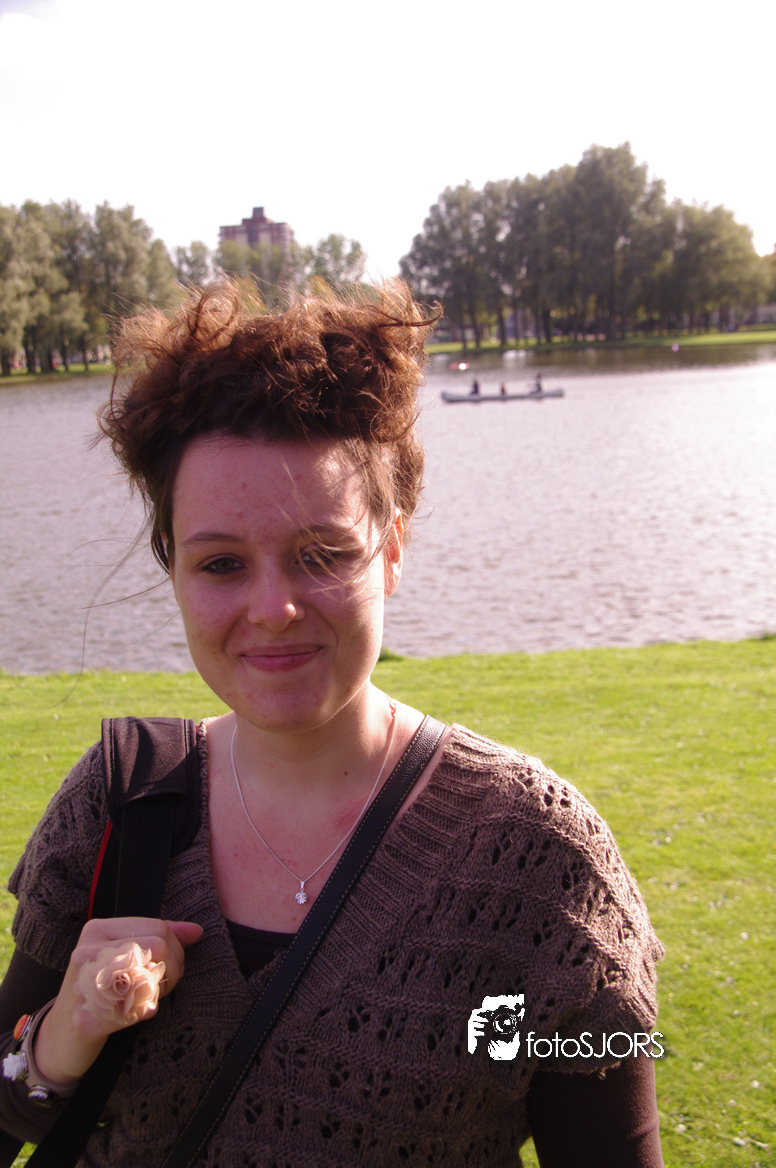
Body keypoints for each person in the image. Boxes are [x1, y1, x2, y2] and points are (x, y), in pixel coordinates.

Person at [0, 280, 664, 1166]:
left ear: (391, 551)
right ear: (174, 569)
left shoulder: (536, 863)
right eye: (222, 563)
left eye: (321, 555)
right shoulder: (117, 806)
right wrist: (62, 1037)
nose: (273, 609)